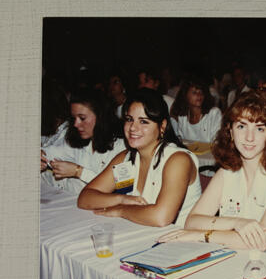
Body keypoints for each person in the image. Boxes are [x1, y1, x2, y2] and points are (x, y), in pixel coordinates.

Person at [158, 90, 266, 267]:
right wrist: (237, 222)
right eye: (241, 126)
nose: (249, 137)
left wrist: (202, 235)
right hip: (240, 264)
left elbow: (261, 242)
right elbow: (192, 220)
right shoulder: (226, 173)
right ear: (231, 132)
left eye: (259, 128)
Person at [77, 88, 201, 227]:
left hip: (182, 241)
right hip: (144, 234)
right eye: (129, 119)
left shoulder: (178, 160)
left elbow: (161, 217)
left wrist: (121, 210)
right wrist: (122, 199)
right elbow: (85, 198)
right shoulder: (126, 157)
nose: (132, 128)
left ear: (162, 126)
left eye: (143, 122)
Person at [41, 88, 126, 194]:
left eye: (82, 118)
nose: (76, 124)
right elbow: (54, 151)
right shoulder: (80, 140)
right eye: (74, 118)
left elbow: (117, 190)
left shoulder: (121, 147)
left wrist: (79, 172)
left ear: (100, 116)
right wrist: (42, 155)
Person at [169, 76, 223, 143]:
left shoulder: (214, 113)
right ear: (185, 95)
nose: (199, 95)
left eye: (201, 92)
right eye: (194, 92)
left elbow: (217, 141)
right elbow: (181, 142)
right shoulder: (182, 117)